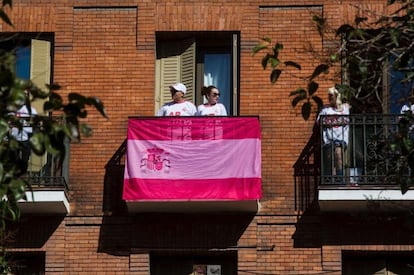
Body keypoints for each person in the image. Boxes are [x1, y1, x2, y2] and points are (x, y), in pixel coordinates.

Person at [317, 87, 350, 183]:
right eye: (328, 96)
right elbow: (319, 122)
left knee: (338, 154)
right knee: (329, 159)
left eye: (331, 96)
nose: (329, 98)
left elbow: (346, 120)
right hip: (328, 139)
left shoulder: (345, 108)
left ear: (337, 96)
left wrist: (330, 120)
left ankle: (340, 180)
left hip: (341, 138)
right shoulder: (325, 109)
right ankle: (329, 179)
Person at [10, 95, 38, 168]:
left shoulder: (30, 110)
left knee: (25, 158)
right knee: (13, 159)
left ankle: (22, 173)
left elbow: (36, 121)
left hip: (26, 137)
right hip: (14, 137)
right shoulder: (12, 109)